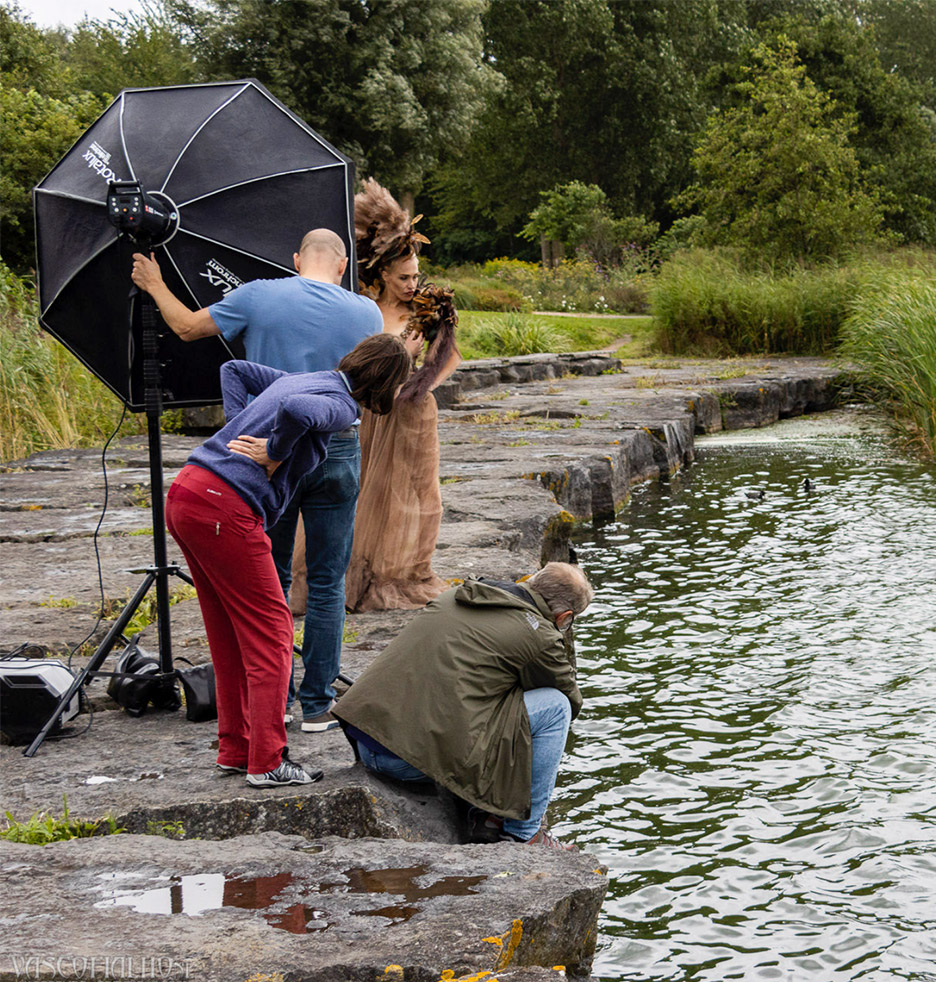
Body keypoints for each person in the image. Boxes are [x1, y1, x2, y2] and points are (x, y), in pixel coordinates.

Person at [132, 230, 383, 734]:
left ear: (296, 259)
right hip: (337, 448)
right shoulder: (367, 313)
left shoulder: (258, 294)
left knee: (271, 577)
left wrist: (156, 284)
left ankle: (277, 699)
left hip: (270, 452)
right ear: (342, 264)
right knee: (330, 579)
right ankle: (317, 707)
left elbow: (184, 328)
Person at [163, 336, 411, 787]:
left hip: (188, 492)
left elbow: (233, 370)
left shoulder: (308, 378)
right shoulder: (342, 406)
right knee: (273, 635)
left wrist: (242, 427)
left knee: (228, 632)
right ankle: (267, 762)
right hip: (225, 507)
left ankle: (236, 749)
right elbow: (298, 412)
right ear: (386, 382)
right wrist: (272, 454)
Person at [333, 562, 592, 849]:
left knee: (497, 700)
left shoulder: (458, 594)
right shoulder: (539, 635)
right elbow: (569, 698)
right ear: (564, 616)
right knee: (555, 708)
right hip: (403, 761)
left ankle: (485, 811)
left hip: (367, 738)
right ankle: (524, 832)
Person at [292, 179, 461, 613]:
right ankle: (345, 573)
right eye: (403, 277)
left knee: (415, 496)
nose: (412, 283)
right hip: (371, 410)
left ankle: (398, 572)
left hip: (412, 412)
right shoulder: (362, 308)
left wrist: (417, 379)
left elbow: (450, 360)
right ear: (383, 274)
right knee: (363, 490)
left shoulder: (428, 309)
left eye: (416, 276)